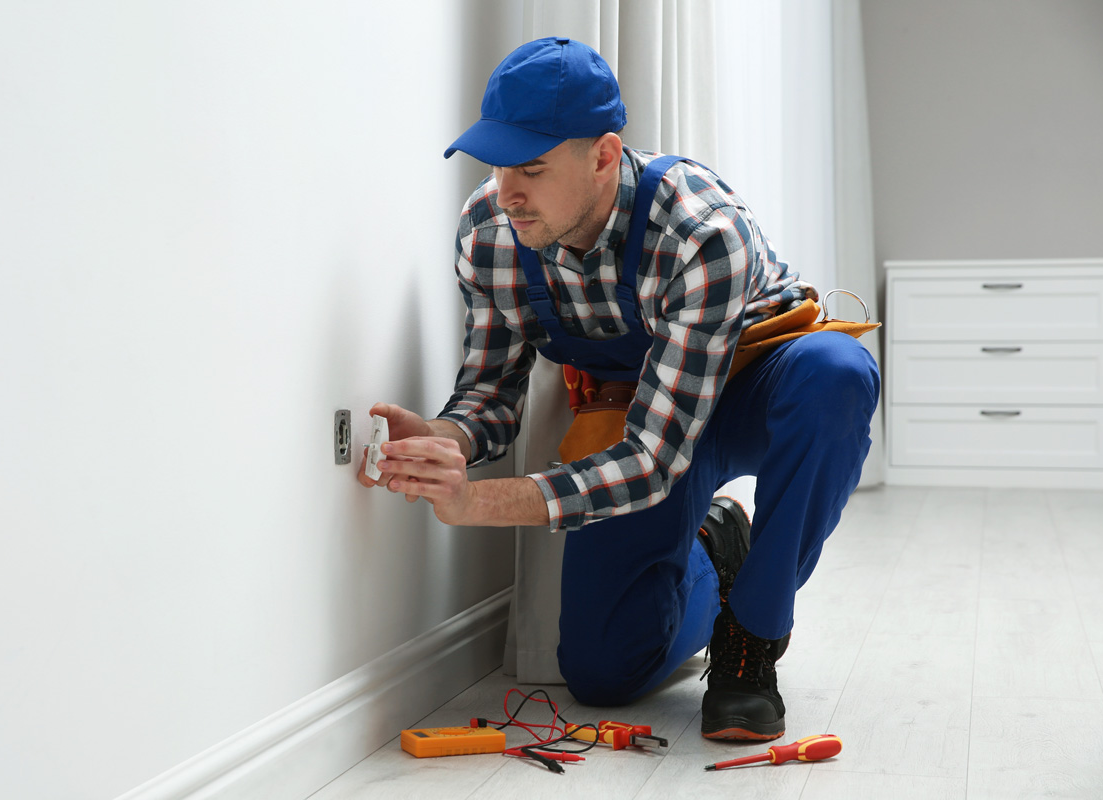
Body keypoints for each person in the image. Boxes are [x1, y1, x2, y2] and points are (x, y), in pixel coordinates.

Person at [358, 36, 879, 742]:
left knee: (837, 378)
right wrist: (446, 438)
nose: (507, 192)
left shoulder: (698, 232)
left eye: (533, 169)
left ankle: (751, 635)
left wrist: (476, 502)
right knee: (605, 672)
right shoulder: (492, 231)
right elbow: (491, 394)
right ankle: (716, 548)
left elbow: (655, 461)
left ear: (603, 155)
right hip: (640, 415)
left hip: (750, 393)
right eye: (499, 165)